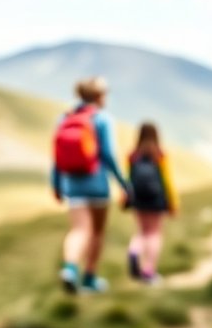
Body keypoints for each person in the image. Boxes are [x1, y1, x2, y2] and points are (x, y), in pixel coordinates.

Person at [50, 77, 131, 294]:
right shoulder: (102, 119)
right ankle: (90, 278)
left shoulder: (64, 119)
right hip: (96, 184)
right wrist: (124, 184)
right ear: (99, 96)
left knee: (78, 230)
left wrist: (56, 185)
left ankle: (69, 269)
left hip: (71, 185)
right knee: (96, 232)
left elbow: (56, 156)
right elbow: (109, 155)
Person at [125, 122, 179, 285]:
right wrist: (173, 202)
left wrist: (126, 196)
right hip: (156, 199)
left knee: (142, 231)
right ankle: (149, 270)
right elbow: (167, 180)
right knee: (154, 233)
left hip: (138, 199)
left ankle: (134, 251)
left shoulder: (133, 155)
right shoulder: (160, 155)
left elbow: (129, 178)